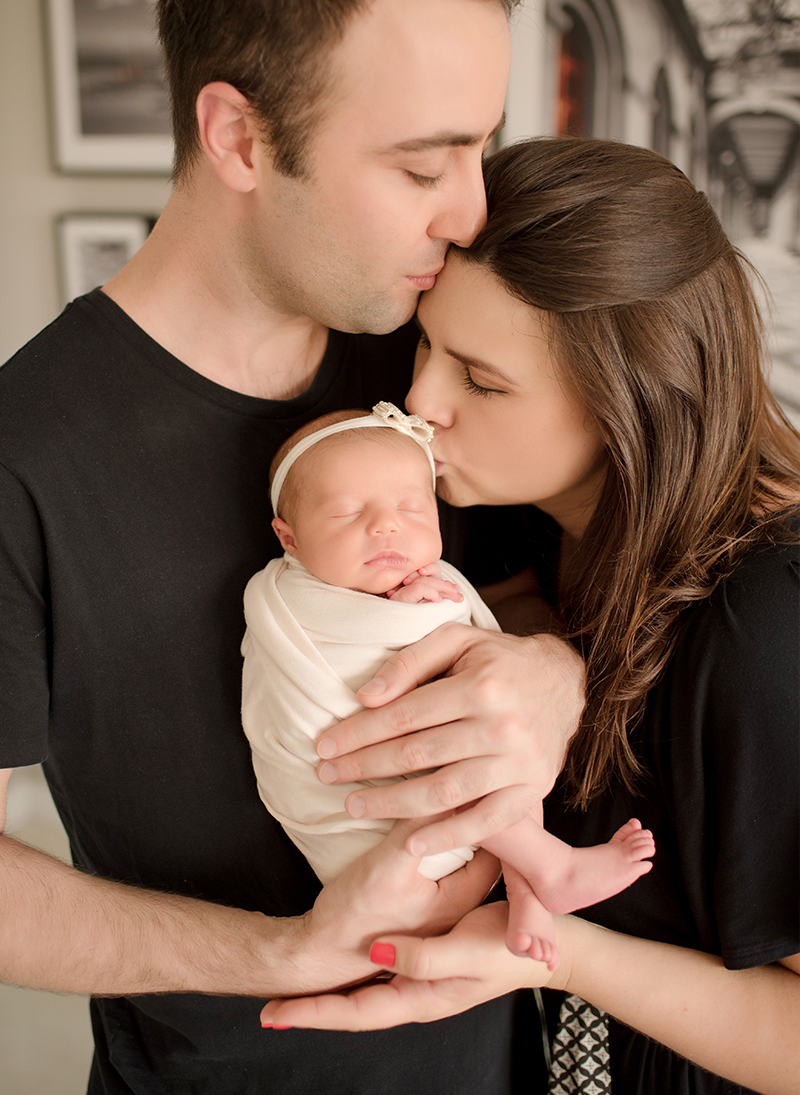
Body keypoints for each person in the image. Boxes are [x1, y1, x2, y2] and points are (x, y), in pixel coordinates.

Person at [0, 0, 587, 1095]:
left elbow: (533, 592)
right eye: (424, 168)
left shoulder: (433, 361)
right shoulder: (23, 449)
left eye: (479, 151)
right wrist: (287, 949)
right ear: (239, 136)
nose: (470, 215)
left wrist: (548, 670)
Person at [262, 138, 800, 1095]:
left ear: (632, 403)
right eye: (427, 345)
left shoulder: (768, 623)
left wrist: (548, 953)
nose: (418, 404)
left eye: (482, 380)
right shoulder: (510, 521)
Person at [241, 401, 653, 967]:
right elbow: (354, 666)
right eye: (346, 512)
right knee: (466, 762)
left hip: (433, 816)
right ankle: (551, 867)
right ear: (288, 540)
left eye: (412, 506)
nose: (387, 525)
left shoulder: (432, 576)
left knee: (504, 760)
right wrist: (405, 615)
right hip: (369, 828)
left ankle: (530, 899)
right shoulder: (290, 599)